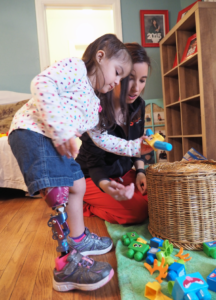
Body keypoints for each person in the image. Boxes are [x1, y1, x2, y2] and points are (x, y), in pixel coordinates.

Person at [8, 34, 152, 292]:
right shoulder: (75, 69)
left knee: (77, 184)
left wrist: (133, 147)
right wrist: (62, 131)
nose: (117, 82)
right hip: (31, 132)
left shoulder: (94, 103)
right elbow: (41, 83)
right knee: (59, 192)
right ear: (100, 57)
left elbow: (100, 139)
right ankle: (65, 266)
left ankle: (79, 238)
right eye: (117, 73)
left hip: (50, 140)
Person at [76, 42, 152, 225]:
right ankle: (82, 203)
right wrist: (105, 185)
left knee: (159, 200)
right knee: (138, 213)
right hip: (93, 176)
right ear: (117, 75)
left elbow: (136, 144)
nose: (136, 88)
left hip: (124, 173)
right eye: (130, 78)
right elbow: (94, 164)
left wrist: (140, 171)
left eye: (142, 80)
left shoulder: (138, 105)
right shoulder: (94, 109)